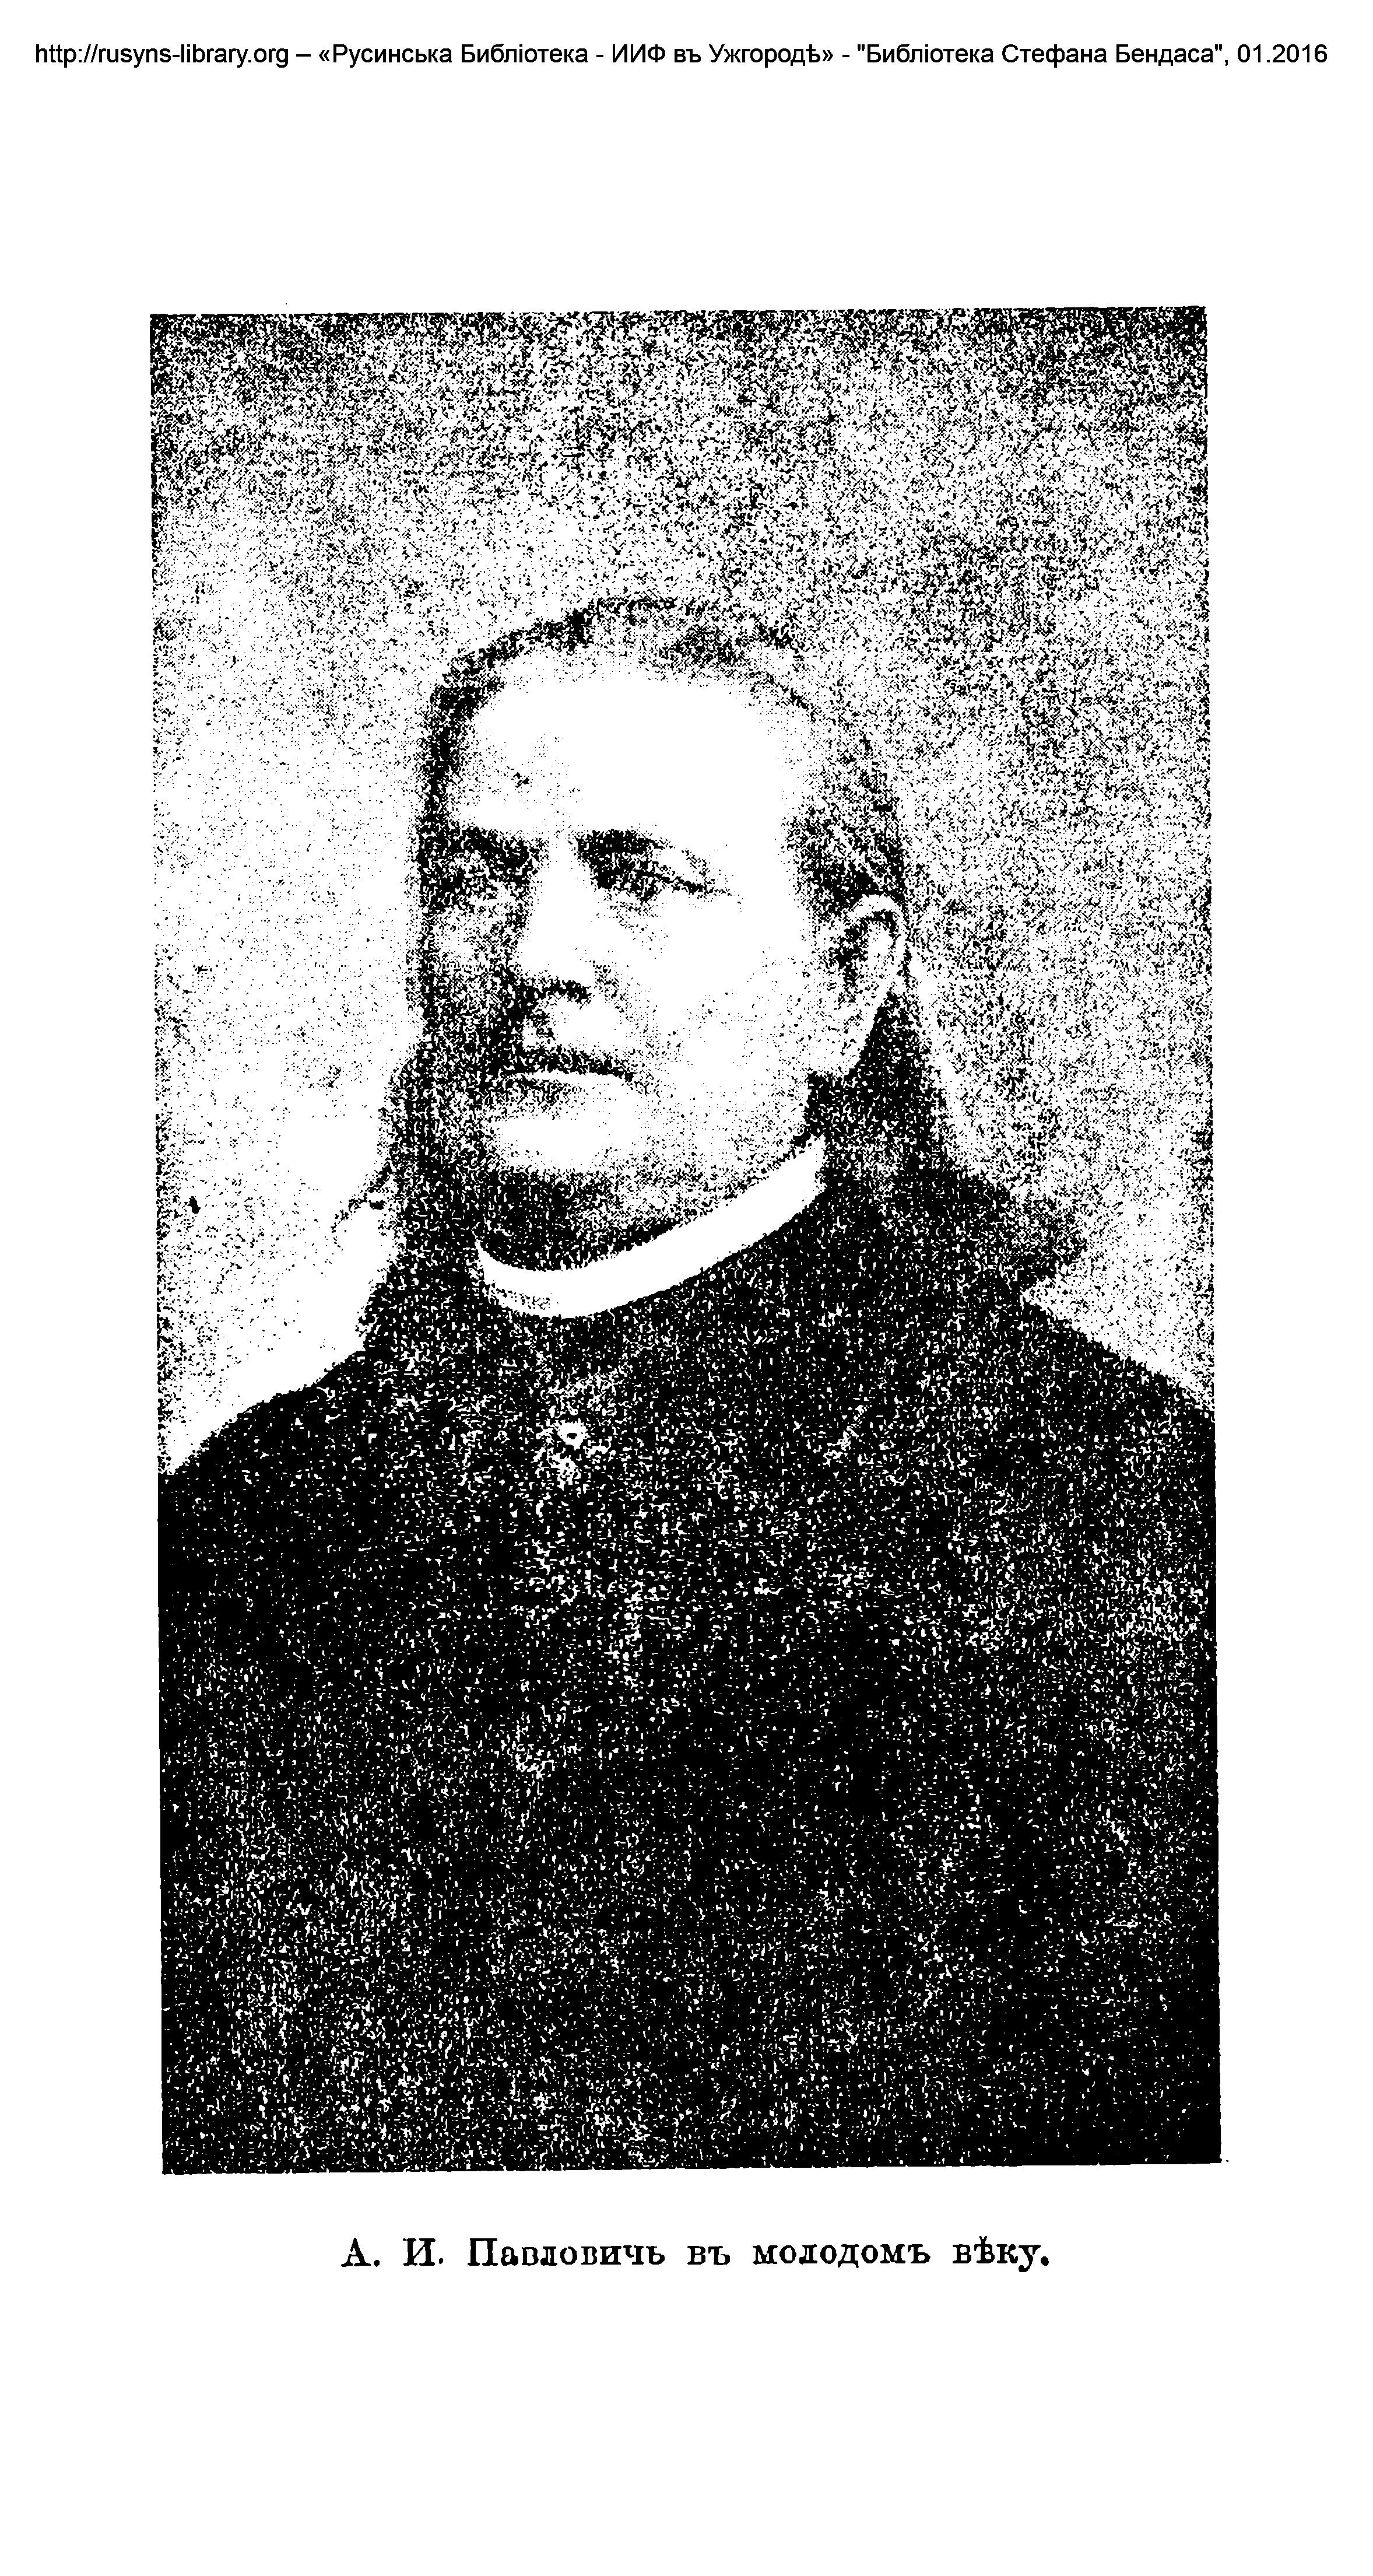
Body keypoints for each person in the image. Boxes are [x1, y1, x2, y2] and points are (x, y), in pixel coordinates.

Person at [161, 596, 1217, 2173]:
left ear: (843, 984)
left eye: (640, 879)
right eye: (478, 876)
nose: (537, 955)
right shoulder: (238, 1524)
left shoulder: (1111, 1502)